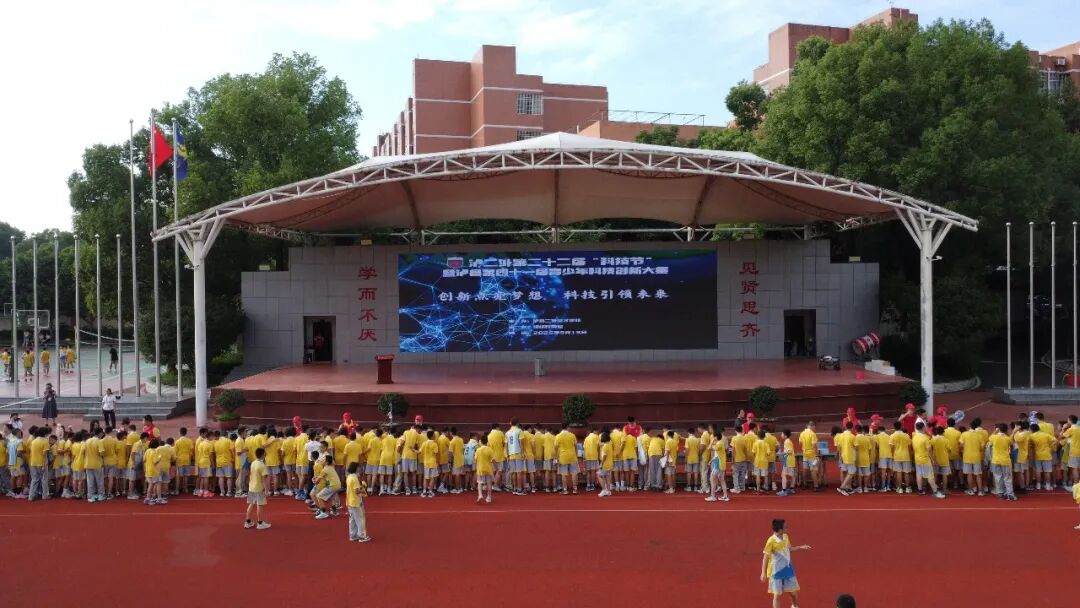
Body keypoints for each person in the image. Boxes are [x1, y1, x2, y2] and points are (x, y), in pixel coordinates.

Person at [761, 518, 811, 608]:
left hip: (788, 569)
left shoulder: (785, 537)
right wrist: (763, 572)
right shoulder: (771, 541)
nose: (787, 528)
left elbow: (789, 549)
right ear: (780, 530)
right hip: (775, 572)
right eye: (786, 527)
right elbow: (765, 557)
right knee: (777, 595)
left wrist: (801, 547)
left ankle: (794, 606)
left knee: (793, 593)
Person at [911, 422, 945, 498]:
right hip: (925, 459)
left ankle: (920, 490)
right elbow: (929, 450)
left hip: (917, 459)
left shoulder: (914, 437)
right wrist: (933, 460)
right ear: (923, 427)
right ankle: (936, 492)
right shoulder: (925, 438)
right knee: (930, 476)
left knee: (919, 475)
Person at [244, 447, 271, 529]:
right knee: (260, 505)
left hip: (251, 487)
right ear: (263, 454)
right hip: (259, 488)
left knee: (251, 503)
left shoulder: (253, 463)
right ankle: (260, 523)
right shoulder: (262, 465)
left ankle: (248, 522)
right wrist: (266, 490)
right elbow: (264, 479)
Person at [989, 423, 1017, 501]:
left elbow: (990, 437)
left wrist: (996, 431)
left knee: (998, 477)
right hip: (1005, 460)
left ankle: (1000, 493)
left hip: (995, 460)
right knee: (1007, 477)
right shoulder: (1007, 438)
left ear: (999, 429)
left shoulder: (993, 437)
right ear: (1006, 430)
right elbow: (1012, 444)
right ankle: (1010, 494)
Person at [345, 462, 370, 542]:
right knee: (360, 519)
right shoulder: (355, 478)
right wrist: (363, 488)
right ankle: (362, 536)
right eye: (359, 467)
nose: (360, 468)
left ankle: (353, 535)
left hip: (349, 501)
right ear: (356, 468)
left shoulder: (349, 477)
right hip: (356, 501)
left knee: (352, 519)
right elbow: (357, 491)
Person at [312, 453, 342, 518]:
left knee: (319, 496)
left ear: (327, 462)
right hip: (338, 485)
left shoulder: (324, 470)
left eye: (323, 459)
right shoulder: (331, 466)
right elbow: (332, 461)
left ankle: (323, 513)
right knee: (331, 497)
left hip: (333, 485)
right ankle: (335, 512)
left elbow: (317, 482)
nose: (322, 460)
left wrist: (313, 480)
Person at [555, 423, 579, 495]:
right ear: (568, 427)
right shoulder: (572, 435)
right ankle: (575, 489)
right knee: (574, 473)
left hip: (563, 456)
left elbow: (556, 447)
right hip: (572, 456)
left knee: (563, 474)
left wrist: (556, 458)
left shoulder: (558, 436)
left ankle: (565, 490)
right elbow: (576, 446)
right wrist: (576, 456)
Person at [475, 434, 494, 504]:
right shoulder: (490, 449)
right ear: (487, 441)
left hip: (480, 469)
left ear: (481, 441)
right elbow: (493, 460)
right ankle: (489, 497)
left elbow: (475, 459)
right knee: (489, 483)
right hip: (488, 469)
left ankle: (480, 495)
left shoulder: (478, 450)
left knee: (479, 483)